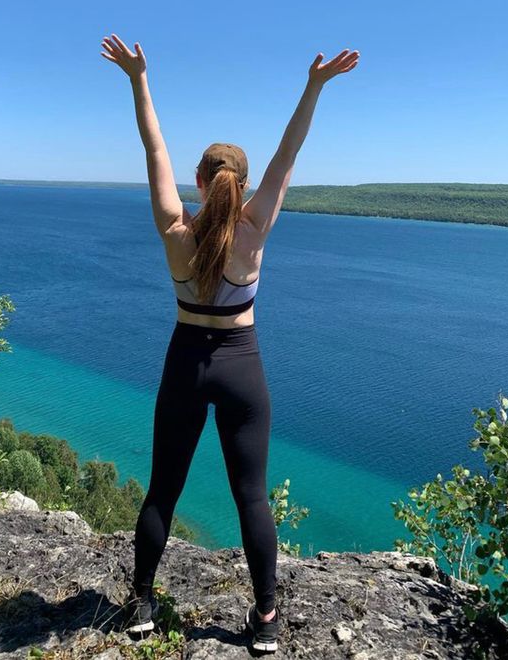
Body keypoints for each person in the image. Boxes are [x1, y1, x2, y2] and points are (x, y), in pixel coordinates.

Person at [100, 34, 359, 653]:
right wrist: (314, 87)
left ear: (199, 180)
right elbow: (288, 152)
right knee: (251, 495)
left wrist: (138, 78)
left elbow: (152, 144)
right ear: (241, 186)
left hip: (186, 361)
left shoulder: (175, 230)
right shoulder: (256, 228)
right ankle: (266, 621)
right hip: (242, 368)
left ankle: (141, 604)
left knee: (165, 487)